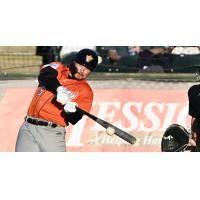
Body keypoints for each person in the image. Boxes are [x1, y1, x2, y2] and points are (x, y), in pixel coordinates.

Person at [15, 49, 99, 152]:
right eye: (81, 65)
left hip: (52, 132)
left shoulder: (86, 91)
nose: (82, 71)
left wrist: (70, 111)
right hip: (28, 128)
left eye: (87, 69)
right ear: (73, 62)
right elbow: (44, 75)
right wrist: (58, 89)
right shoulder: (58, 67)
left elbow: (75, 119)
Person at [187, 82, 200, 151]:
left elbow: (194, 117)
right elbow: (194, 116)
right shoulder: (194, 91)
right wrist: (194, 136)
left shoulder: (194, 91)